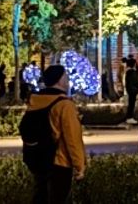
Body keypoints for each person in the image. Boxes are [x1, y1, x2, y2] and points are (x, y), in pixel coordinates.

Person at [21, 62, 87, 203]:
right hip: (59, 162)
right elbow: (72, 139)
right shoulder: (64, 105)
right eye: (66, 77)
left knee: (41, 197)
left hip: (38, 160)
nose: (68, 80)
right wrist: (79, 166)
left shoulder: (35, 101)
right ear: (61, 80)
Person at [124, 55, 138, 121]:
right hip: (132, 91)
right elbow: (135, 82)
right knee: (131, 104)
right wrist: (137, 89)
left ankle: (130, 117)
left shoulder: (129, 72)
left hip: (132, 90)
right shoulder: (131, 72)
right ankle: (129, 117)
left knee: (131, 104)